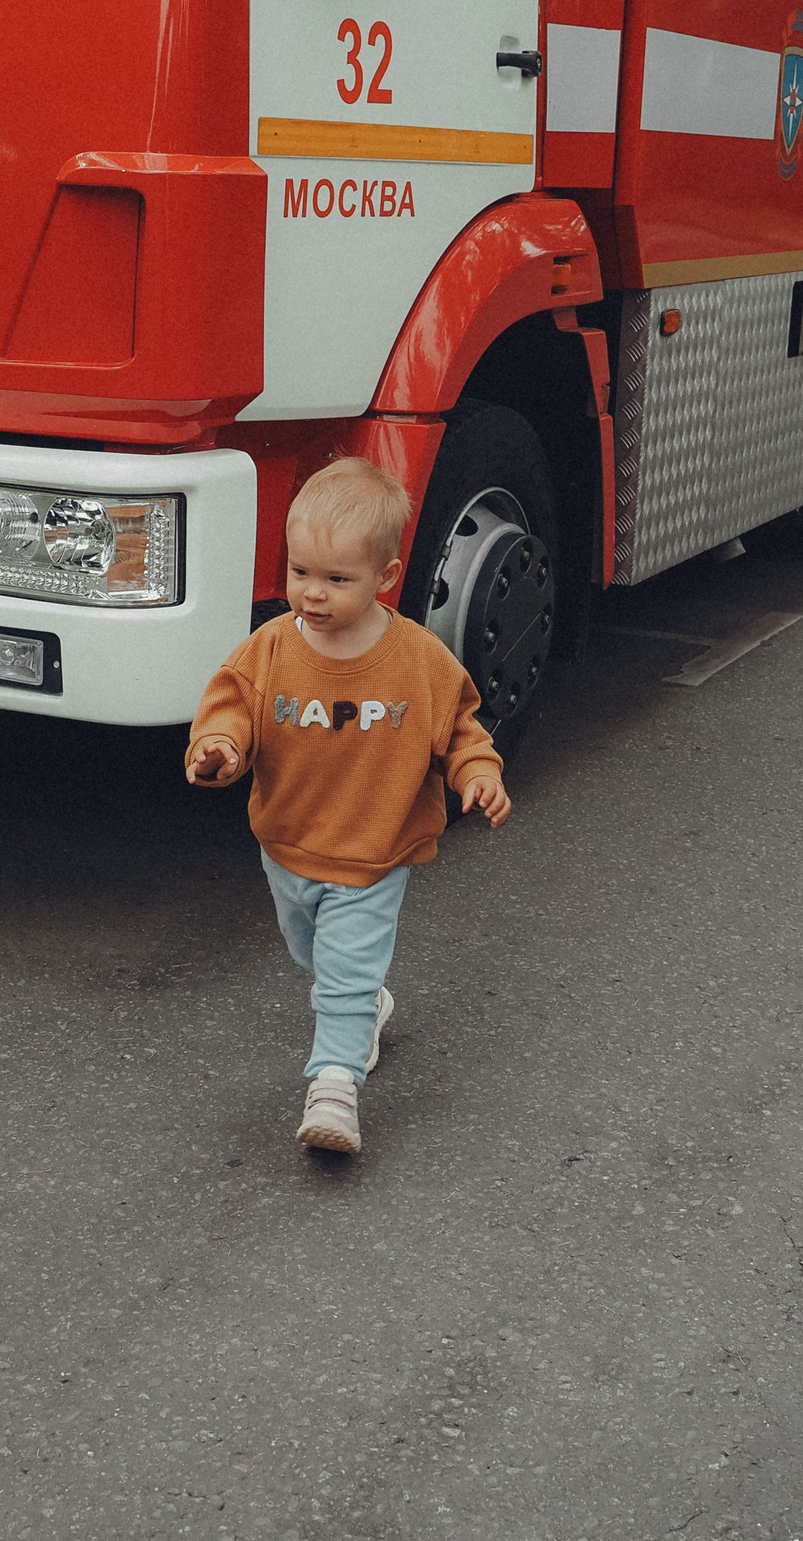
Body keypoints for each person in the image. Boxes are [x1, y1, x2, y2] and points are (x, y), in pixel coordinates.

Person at [185, 457, 511, 1156]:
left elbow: (461, 728)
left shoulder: (419, 660)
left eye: (337, 580)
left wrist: (478, 771)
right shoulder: (269, 649)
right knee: (313, 950)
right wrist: (220, 747)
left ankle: (334, 1086)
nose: (313, 592)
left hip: (373, 850)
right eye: (300, 571)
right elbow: (230, 708)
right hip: (288, 841)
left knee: (343, 970)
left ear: (384, 577)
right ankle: (365, 1004)